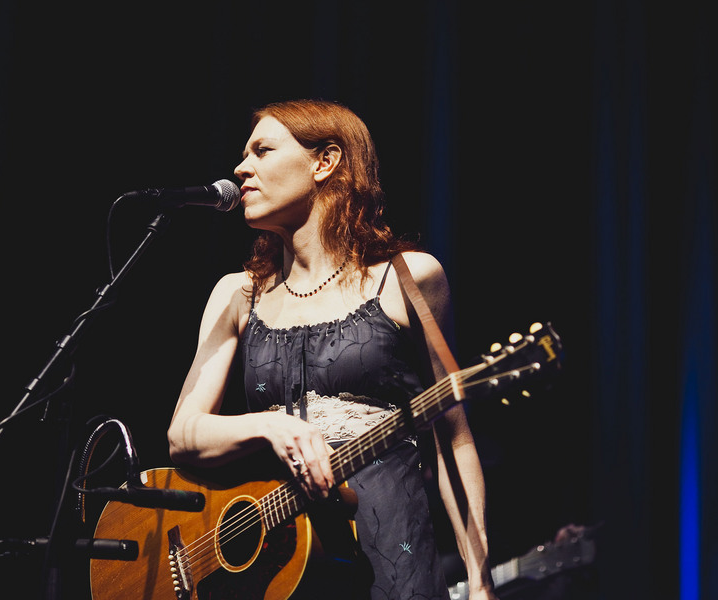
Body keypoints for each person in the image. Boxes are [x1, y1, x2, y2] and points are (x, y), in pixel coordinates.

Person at [167, 99, 498, 600]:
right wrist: (268, 425)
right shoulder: (237, 294)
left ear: (325, 162)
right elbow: (185, 434)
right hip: (282, 564)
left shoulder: (408, 278)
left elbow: (452, 439)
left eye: (262, 150)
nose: (240, 168)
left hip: (391, 546)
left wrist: (479, 580)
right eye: (243, 154)